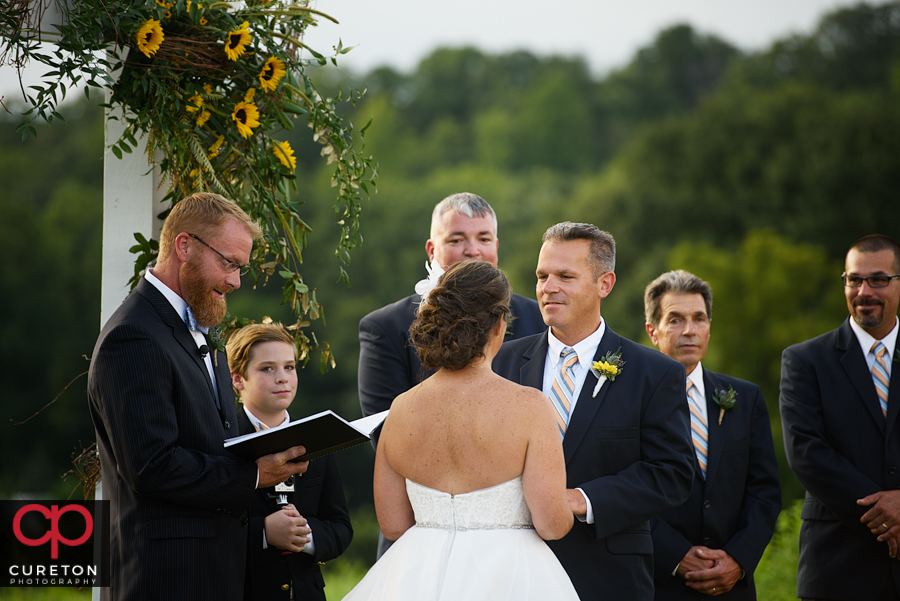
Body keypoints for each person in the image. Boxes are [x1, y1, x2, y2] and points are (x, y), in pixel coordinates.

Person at [87, 192, 308, 601]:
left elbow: (212, 444)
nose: (235, 281)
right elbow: (152, 465)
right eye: (229, 263)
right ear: (184, 246)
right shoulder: (133, 336)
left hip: (215, 576)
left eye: (240, 268)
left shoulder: (198, 330)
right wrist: (256, 474)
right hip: (166, 580)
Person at [344, 260, 579, 600]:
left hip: (416, 576)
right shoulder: (529, 406)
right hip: (509, 576)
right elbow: (552, 525)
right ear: (499, 324)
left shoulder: (401, 409)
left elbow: (393, 524)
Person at [493, 222, 695, 601]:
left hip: (608, 576)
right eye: (542, 276)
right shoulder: (501, 362)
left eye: (565, 276)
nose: (548, 288)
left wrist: (583, 499)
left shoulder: (654, 373)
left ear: (605, 284)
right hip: (512, 572)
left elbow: (672, 473)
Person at [357, 192, 544, 556]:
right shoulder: (386, 327)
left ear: (496, 246)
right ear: (431, 248)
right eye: (457, 239)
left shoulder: (538, 318)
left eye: (483, 238)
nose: (472, 250)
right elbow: (384, 432)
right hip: (422, 528)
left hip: (521, 528)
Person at [644, 270, 781, 599]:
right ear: (653, 331)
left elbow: (764, 491)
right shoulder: (631, 400)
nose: (689, 330)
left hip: (731, 586)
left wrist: (737, 559)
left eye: (699, 318)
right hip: (657, 583)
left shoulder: (744, 398)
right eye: (675, 319)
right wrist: (676, 556)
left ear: (709, 326)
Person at [780, 234, 900, 601]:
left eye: (878, 279)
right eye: (854, 279)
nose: (864, 291)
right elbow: (806, 452)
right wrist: (886, 515)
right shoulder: (805, 361)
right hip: (837, 567)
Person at [227, 323, 353, 601]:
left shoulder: (317, 439)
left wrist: (305, 536)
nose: (283, 378)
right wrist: (263, 532)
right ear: (238, 379)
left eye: (290, 367)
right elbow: (205, 531)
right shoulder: (221, 444)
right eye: (267, 368)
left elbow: (341, 527)